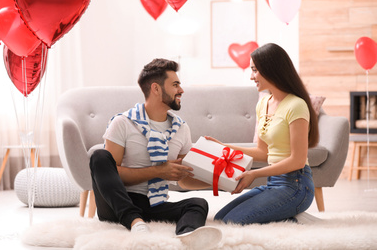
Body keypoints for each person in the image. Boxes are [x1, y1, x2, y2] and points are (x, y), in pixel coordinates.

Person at [89, 58, 221, 248]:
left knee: (198, 203)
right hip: (117, 203)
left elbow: (183, 178)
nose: (181, 90)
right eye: (175, 85)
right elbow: (111, 175)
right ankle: (134, 222)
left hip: (153, 204)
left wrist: (219, 182)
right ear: (156, 89)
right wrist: (159, 171)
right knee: (99, 157)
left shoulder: (181, 128)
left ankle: (187, 236)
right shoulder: (123, 122)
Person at [206, 43, 319, 225]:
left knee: (232, 222)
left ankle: (291, 218)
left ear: (271, 69)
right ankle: (284, 216)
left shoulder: (296, 105)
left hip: (296, 185)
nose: (251, 76)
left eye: (255, 70)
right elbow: (262, 152)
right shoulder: (263, 103)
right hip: (273, 183)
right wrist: (223, 146)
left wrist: (254, 174)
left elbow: (298, 160)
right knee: (220, 219)